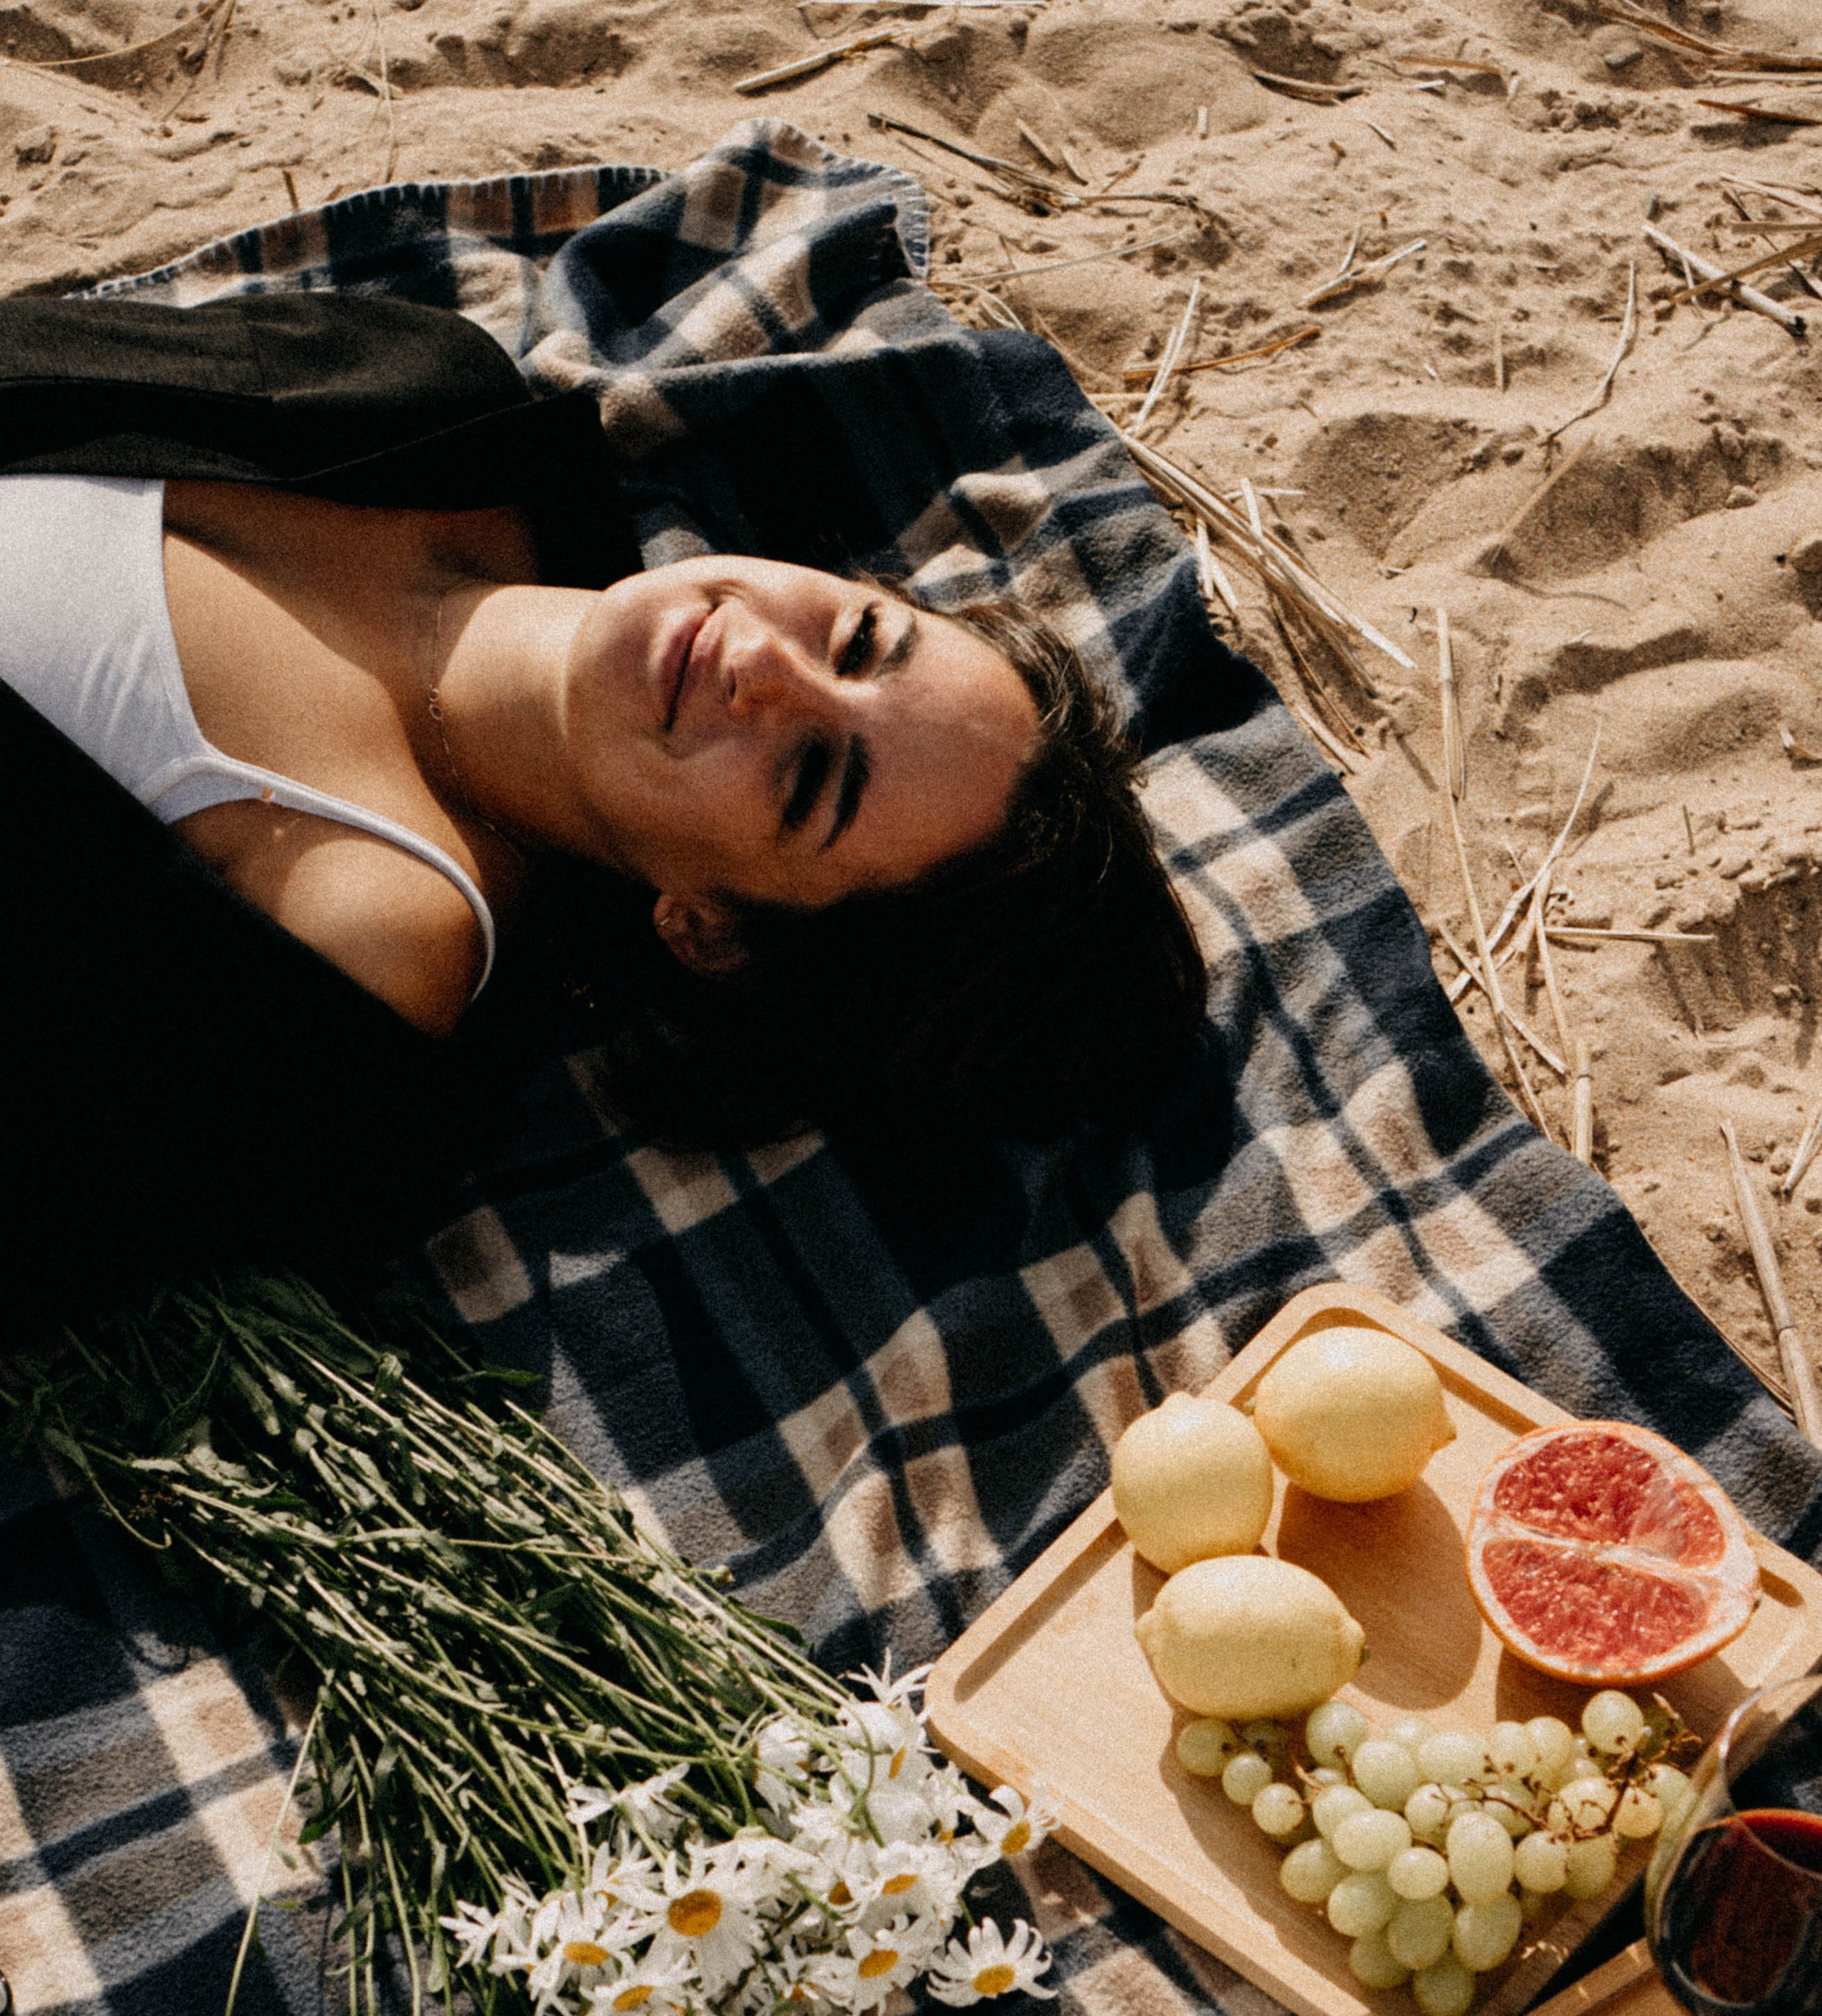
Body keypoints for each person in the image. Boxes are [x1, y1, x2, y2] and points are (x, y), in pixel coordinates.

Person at [0, 288, 1208, 1335]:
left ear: (712, 931)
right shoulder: (432, 403)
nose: (765, 666)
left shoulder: (372, 929)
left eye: (809, 779)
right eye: (855, 637)